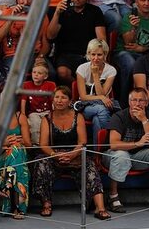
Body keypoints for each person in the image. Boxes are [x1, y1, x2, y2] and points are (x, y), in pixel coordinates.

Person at [32, 85, 110, 219]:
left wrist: (72, 154)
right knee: (40, 163)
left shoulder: (78, 116)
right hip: (54, 156)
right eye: (57, 97)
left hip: (75, 155)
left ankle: (100, 207)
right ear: (53, 100)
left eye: (63, 97)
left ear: (70, 101)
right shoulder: (47, 119)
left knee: (89, 165)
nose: (59, 100)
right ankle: (46, 204)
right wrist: (56, 155)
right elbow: (43, 145)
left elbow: (82, 142)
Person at [105, 87, 149, 214]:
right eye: (134, 100)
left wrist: (144, 120)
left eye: (141, 100)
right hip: (114, 156)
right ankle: (113, 196)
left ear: (146, 103)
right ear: (129, 102)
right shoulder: (119, 116)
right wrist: (137, 143)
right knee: (121, 155)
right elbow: (114, 145)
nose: (137, 103)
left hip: (138, 156)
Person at [46, 0, 107, 85]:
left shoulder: (95, 11)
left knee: (95, 74)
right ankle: (80, 89)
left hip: (88, 54)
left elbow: (101, 39)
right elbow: (50, 36)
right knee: (62, 73)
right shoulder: (63, 10)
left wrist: (98, 57)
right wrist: (57, 14)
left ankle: (82, 90)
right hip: (66, 54)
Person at [0, 107, 31, 219]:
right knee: (16, 154)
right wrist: (3, 142)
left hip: (16, 160)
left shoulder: (20, 117)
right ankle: (17, 208)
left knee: (16, 151)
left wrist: (16, 141)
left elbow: (28, 143)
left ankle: (7, 188)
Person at [74, 38, 119, 145]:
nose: (95, 58)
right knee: (101, 109)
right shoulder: (81, 69)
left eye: (99, 55)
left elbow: (101, 93)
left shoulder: (111, 70)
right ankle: (108, 143)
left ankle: (97, 152)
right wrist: (102, 98)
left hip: (102, 105)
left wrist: (95, 75)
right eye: (92, 54)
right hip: (85, 106)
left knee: (97, 120)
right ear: (88, 54)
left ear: (105, 55)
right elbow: (83, 97)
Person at [0, 0, 50, 70]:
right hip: (13, 55)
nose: (25, 2)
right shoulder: (7, 12)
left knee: (51, 73)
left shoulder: (41, 15)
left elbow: (46, 44)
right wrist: (12, 18)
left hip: (35, 54)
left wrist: (40, 57)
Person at [20, 62, 55, 145]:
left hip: (47, 111)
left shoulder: (50, 85)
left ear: (45, 76)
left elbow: (53, 100)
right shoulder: (26, 85)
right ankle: (37, 145)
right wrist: (23, 114)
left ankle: (49, 145)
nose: (36, 75)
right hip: (33, 112)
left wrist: (54, 113)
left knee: (48, 126)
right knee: (35, 124)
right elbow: (23, 100)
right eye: (34, 72)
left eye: (39, 73)